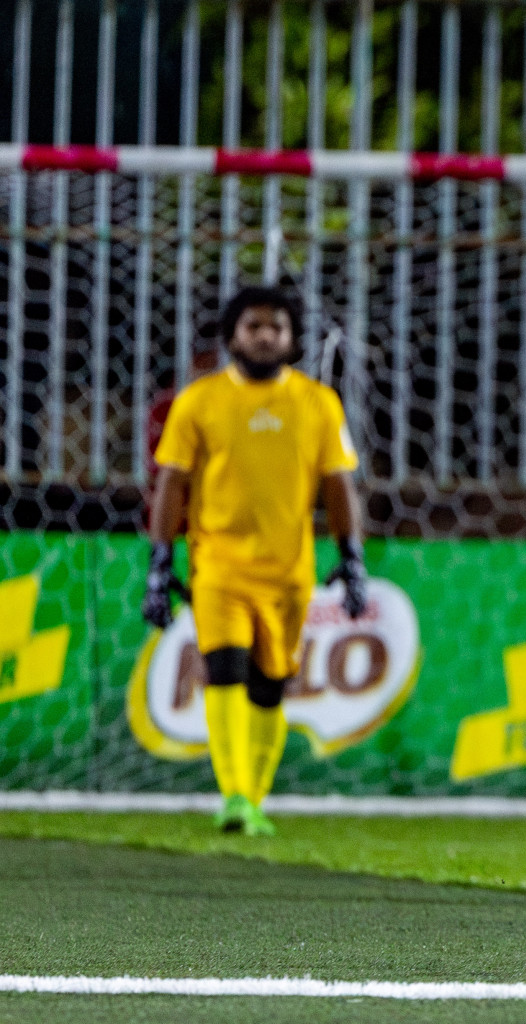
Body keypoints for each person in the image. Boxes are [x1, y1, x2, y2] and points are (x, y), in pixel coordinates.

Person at [141, 286, 369, 837]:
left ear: (291, 339)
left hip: (288, 571)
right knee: (223, 668)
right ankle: (235, 796)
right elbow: (171, 483)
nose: (265, 335)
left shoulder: (319, 404)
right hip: (216, 564)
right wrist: (158, 561)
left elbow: (339, 486)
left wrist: (351, 556)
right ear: (231, 335)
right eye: (253, 326)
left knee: (271, 683)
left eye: (277, 327)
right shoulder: (199, 402)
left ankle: (255, 800)